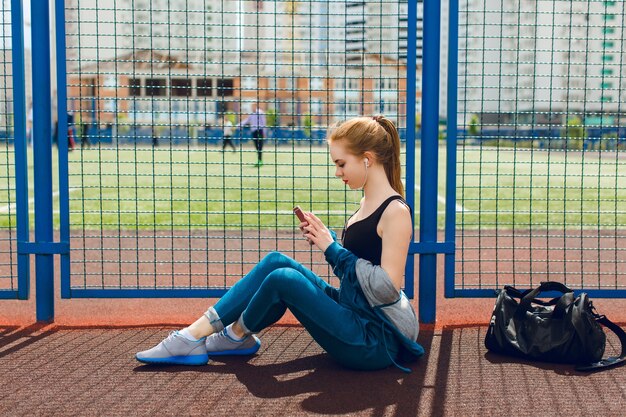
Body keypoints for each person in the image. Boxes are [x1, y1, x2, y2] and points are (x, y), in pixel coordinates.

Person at [135, 115, 424, 372]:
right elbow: (357, 272)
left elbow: (388, 287)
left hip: (372, 342)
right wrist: (329, 241)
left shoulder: (395, 212)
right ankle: (209, 335)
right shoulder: (365, 202)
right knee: (276, 261)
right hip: (352, 311)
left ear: (367, 158)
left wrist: (331, 249)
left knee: (284, 278)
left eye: (341, 163)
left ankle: (215, 337)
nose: (337, 172)